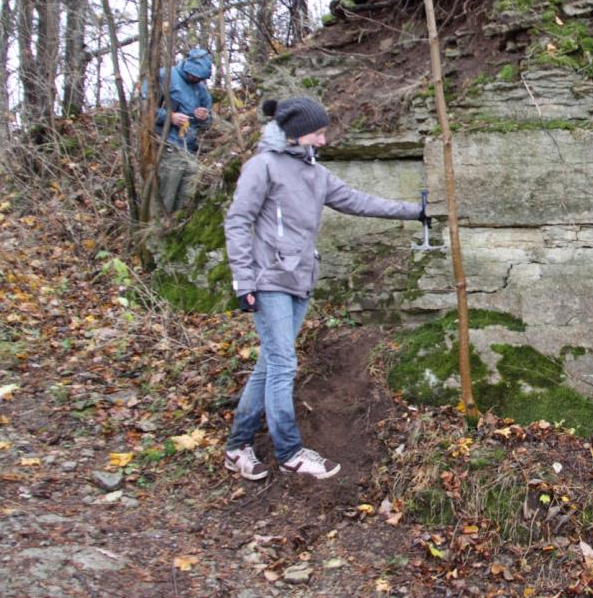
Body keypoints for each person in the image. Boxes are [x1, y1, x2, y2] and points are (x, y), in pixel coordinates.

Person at [222, 97, 427, 480]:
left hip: (300, 281)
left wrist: (414, 211)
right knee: (283, 364)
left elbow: (357, 202)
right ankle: (290, 453)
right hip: (268, 280)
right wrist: (243, 281)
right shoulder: (262, 167)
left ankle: (237, 447)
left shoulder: (316, 174)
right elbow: (237, 222)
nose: (324, 140)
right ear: (297, 135)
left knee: (269, 365)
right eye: (318, 132)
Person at [154, 47, 214, 213]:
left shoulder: (201, 89)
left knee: (187, 195)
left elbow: (209, 120)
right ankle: (157, 232)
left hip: (189, 149)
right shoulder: (164, 76)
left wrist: (203, 117)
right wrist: (170, 117)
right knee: (166, 195)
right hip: (165, 145)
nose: (195, 78)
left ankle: (177, 229)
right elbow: (144, 109)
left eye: (199, 77)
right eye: (194, 75)